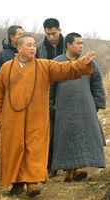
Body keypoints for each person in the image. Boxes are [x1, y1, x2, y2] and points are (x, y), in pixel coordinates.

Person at [0, 34, 96, 197]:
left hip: (37, 118)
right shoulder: (6, 67)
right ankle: (17, 183)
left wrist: (82, 63)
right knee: (14, 150)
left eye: (34, 44)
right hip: (12, 119)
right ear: (19, 48)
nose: (33, 47)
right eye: (28, 45)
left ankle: (32, 183)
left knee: (34, 149)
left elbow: (65, 69)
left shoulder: (44, 66)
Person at [50, 32, 106, 182]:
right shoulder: (57, 62)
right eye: (78, 43)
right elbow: (50, 87)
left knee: (83, 135)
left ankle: (78, 168)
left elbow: (97, 83)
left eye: (82, 43)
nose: (81, 46)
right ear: (68, 44)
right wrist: (50, 106)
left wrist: (98, 103)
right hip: (63, 107)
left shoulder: (88, 62)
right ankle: (70, 170)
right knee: (67, 137)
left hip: (85, 106)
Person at [36, 18, 65, 177]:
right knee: (49, 130)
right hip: (46, 91)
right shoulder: (39, 48)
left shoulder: (69, 45)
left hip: (65, 89)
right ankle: (50, 165)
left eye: (53, 33)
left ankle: (68, 165)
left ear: (60, 30)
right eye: (48, 34)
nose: (51, 37)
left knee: (65, 129)